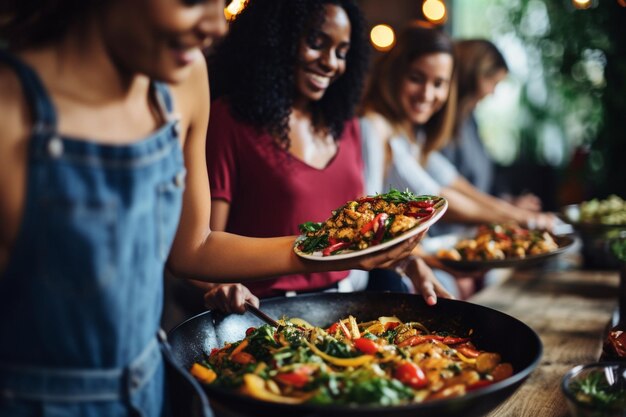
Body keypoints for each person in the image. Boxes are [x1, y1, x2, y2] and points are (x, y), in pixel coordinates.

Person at [0, 1, 424, 416]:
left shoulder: (185, 82)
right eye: (193, 1)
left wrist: (339, 248)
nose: (218, 26)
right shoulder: (11, 108)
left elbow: (194, 247)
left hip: (156, 385)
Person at [162, 0, 451, 321]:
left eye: (342, 52)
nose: (330, 63)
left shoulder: (347, 128)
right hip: (267, 315)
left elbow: (357, 231)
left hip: (349, 311)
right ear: (278, 38)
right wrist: (223, 286)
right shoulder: (229, 123)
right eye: (317, 43)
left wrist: (408, 263)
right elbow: (201, 248)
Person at [359, 22, 556, 297]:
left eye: (438, 84)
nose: (427, 95)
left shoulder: (413, 134)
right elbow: (435, 199)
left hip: (407, 260)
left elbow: (454, 184)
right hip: (375, 277)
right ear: (394, 74)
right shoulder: (372, 126)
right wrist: (520, 218)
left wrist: (518, 216)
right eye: (416, 78)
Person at [439, 39, 541, 219]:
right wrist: (510, 214)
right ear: (474, 75)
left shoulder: (469, 120)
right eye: (492, 83)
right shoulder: (440, 123)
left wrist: (506, 204)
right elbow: (442, 188)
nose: (492, 93)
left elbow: (477, 183)